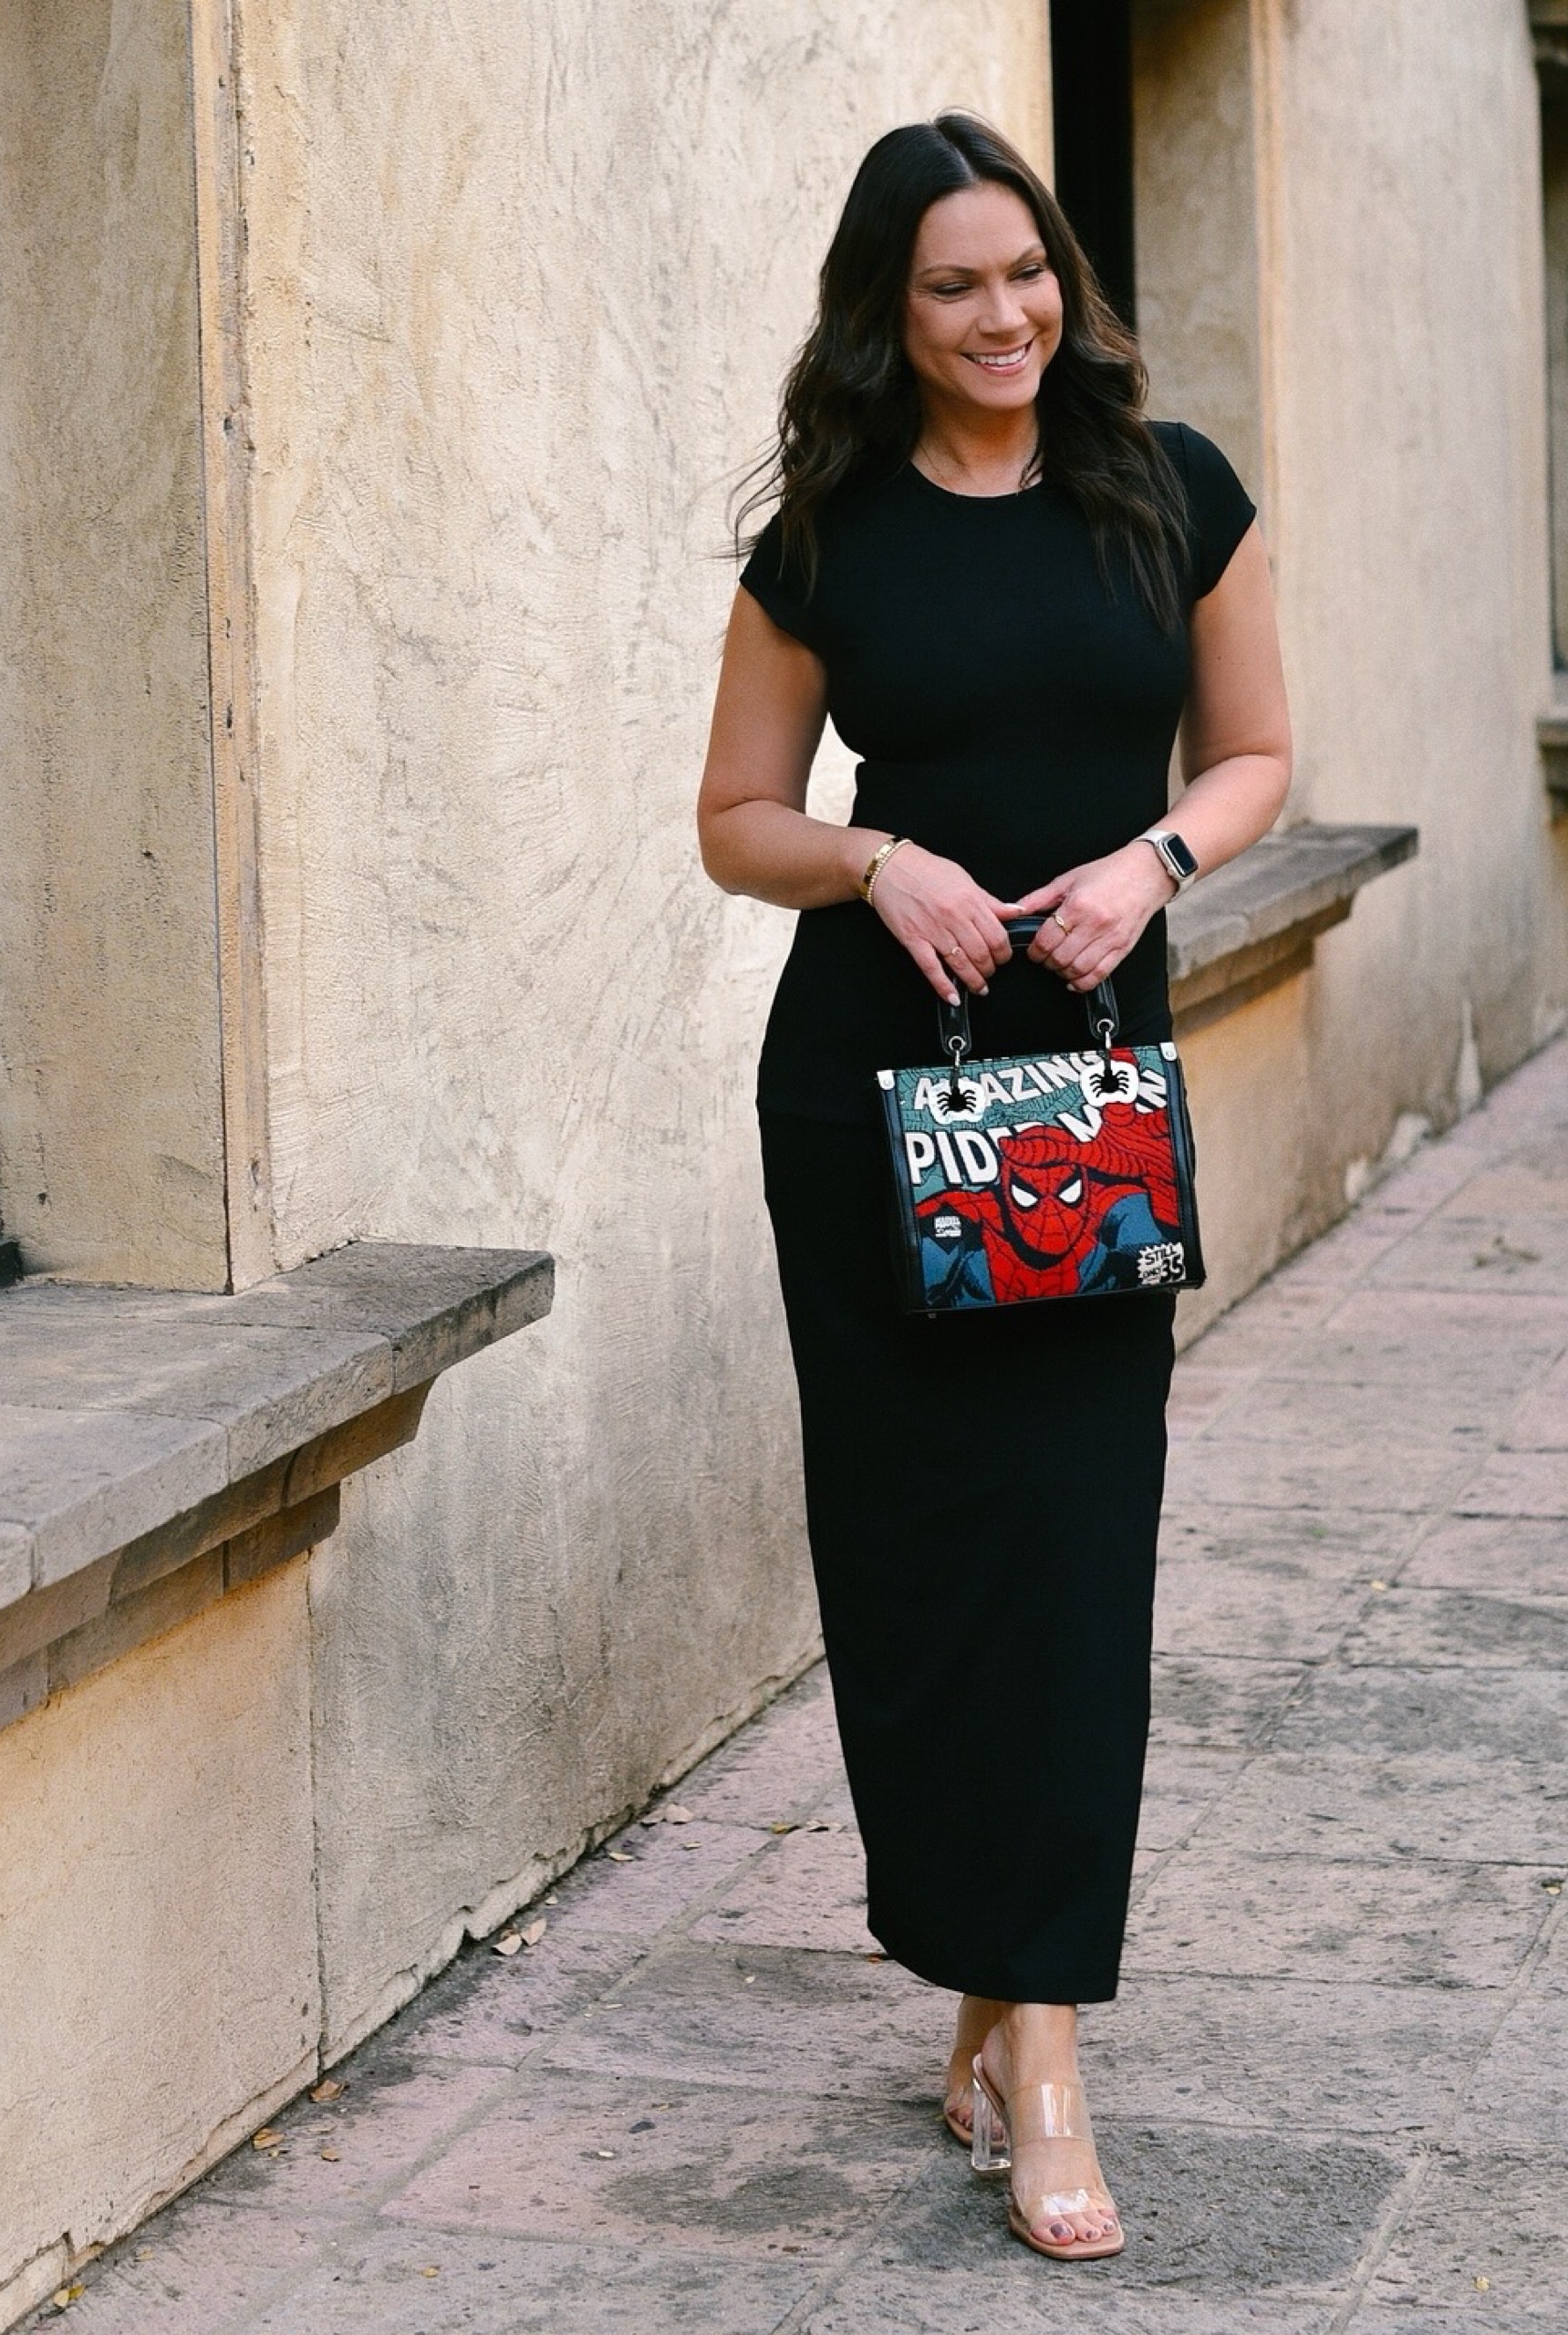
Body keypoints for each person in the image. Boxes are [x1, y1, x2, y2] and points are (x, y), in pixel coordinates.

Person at [695, 113, 1290, 2262]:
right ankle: (990, 1980)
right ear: (892, 309)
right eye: (953, 286)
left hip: (1082, 1093)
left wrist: (1154, 862)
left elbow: (1251, 753)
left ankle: (1035, 2034)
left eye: (1023, 271)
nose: (1002, 315)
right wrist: (880, 854)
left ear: (1064, 276)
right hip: (870, 1086)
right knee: (925, 1555)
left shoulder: (1168, 491)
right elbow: (733, 817)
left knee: (1066, 1536)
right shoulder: (832, 538)